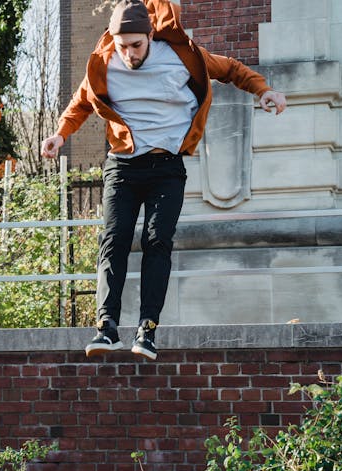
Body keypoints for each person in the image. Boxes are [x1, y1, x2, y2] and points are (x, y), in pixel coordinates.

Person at [41, 0, 286, 361]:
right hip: (122, 167)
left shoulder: (181, 57)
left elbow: (231, 69)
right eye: (122, 45)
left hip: (167, 169)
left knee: (157, 241)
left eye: (136, 45)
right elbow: (81, 101)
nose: (128, 54)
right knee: (114, 240)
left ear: (150, 36)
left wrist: (263, 90)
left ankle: (147, 330)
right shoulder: (106, 61)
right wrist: (61, 134)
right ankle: (106, 327)